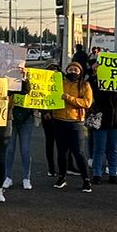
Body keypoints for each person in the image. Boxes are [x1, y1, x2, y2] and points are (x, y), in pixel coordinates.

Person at [50, 59, 94, 192]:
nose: (73, 72)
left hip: (76, 123)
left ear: (80, 72)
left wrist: (68, 98)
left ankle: (86, 180)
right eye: (70, 69)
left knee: (79, 152)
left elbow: (87, 103)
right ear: (66, 71)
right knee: (62, 152)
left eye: (76, 70)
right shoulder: (59, 83)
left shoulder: (85, 85)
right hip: (59, 120)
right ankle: (62, 177)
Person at [87, 74, 117, 185]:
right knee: (99, 148)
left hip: (116, 120)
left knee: (113, 148)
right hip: (101, 120)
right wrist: (93, 73)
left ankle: (113, 174)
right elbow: (88, 83)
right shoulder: (96, 82)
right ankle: (97, 174)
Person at [6, 82, 38, 190]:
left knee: (25, 149)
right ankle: (7, 176)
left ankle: (26, 178)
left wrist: (24, 78)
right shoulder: (8, 78)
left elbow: (27, 90)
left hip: (27, 118)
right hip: (11, 117)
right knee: (9, 149)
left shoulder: (27, 78)